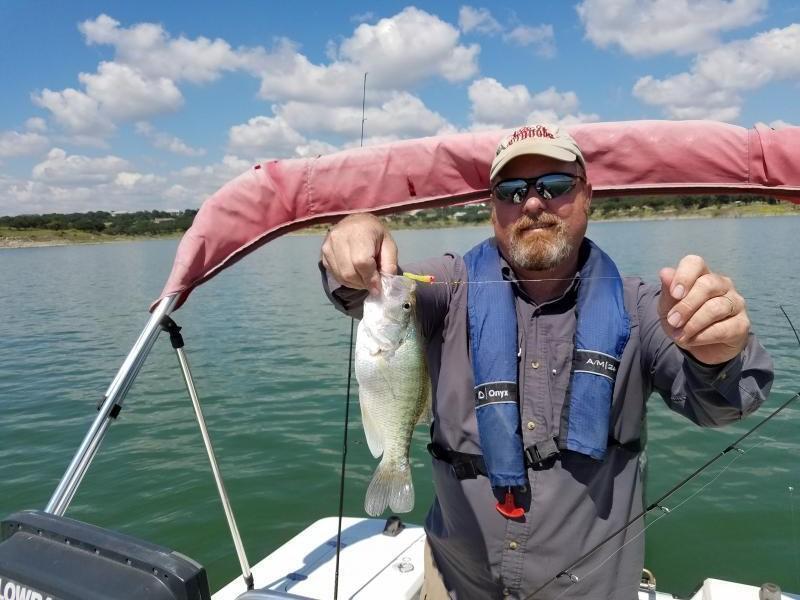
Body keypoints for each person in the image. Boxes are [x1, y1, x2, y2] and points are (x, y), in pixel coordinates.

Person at [320, 124, 774, 600]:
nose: (532, 203)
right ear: (492, 206)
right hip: (458, 581)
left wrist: (719, 355)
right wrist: (350, 244)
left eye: (554, 186)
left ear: (588, 195)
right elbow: (363, 293)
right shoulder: (448, 286)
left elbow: (722, 407)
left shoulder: (641, 306)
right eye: (511, 191)